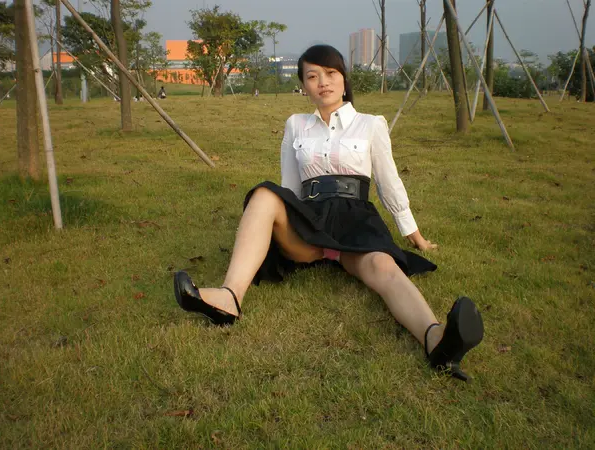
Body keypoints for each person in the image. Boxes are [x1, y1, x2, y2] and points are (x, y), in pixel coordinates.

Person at [174, 45, 484, 381]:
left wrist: (415, 237)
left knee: (383, 267)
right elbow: (289, 187)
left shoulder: (370, 125)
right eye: (312, 76)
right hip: (310, 224)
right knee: (264, 193)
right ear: (303, 86)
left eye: (331, 73)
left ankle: (436, 340)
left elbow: (389, 183)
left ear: (344, 79)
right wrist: (279, 226)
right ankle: (229, 297)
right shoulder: (296, 125)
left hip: (356, 221)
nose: (323, 82)